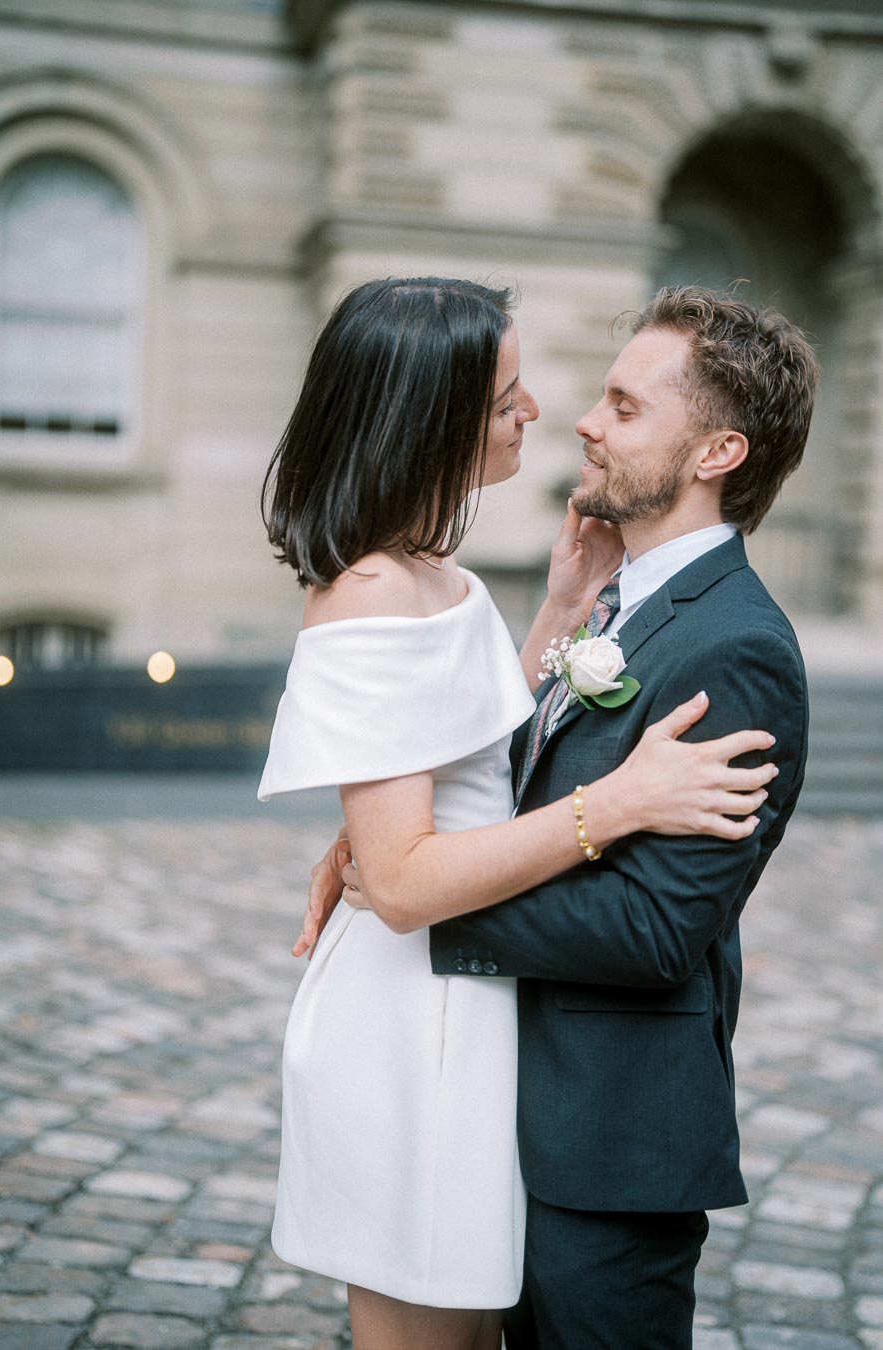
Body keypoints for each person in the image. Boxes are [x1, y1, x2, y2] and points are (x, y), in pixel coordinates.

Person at [259, 277, 779, 1350]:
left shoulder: (428, 568)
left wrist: (554, 616)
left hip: (470, 1011)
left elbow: (461, 761)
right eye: (506, 395)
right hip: (409, 1024)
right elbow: (404, 882)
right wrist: (617, 800)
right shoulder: (370, 589)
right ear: (432, 416)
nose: (541, 411)